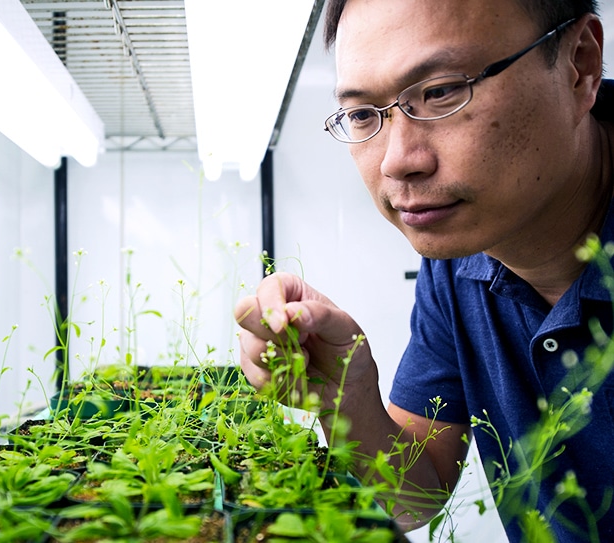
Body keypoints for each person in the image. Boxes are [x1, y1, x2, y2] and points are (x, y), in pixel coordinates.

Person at [234, 0, 614, 540]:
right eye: (364, 114)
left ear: (579, 64)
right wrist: (349, 395)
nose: (396, 161)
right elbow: (418, 494)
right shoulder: (460, 257)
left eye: (440, 91)